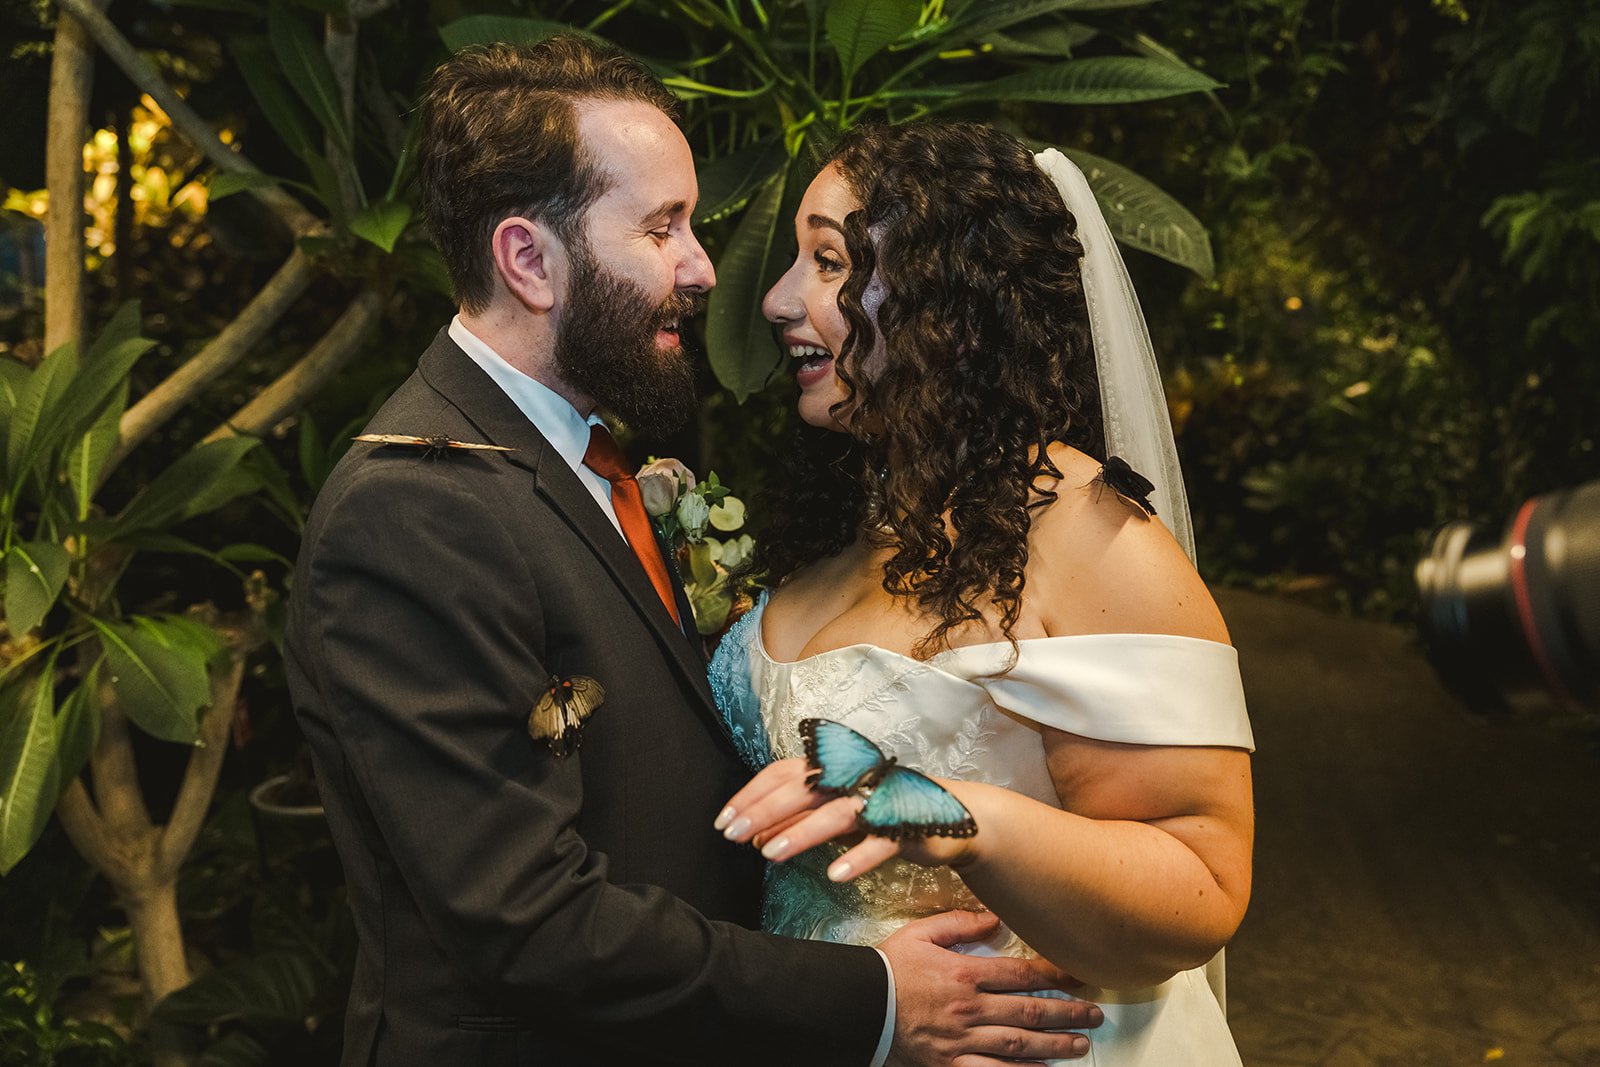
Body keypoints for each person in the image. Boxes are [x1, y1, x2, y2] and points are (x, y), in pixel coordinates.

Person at [285, 39, 1104, 1066]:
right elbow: (525, 918)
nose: (705, 268)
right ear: (529, 261)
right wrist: (879, 996)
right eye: (661, 227)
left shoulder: (586, 460)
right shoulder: (413, 509)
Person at [709, 121, 1256, 1065]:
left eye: (829, 261)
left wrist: (966, 817)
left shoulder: (1086, 530)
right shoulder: (844, 520)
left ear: (949, 297)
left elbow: (1202, 888)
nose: (777, 298)